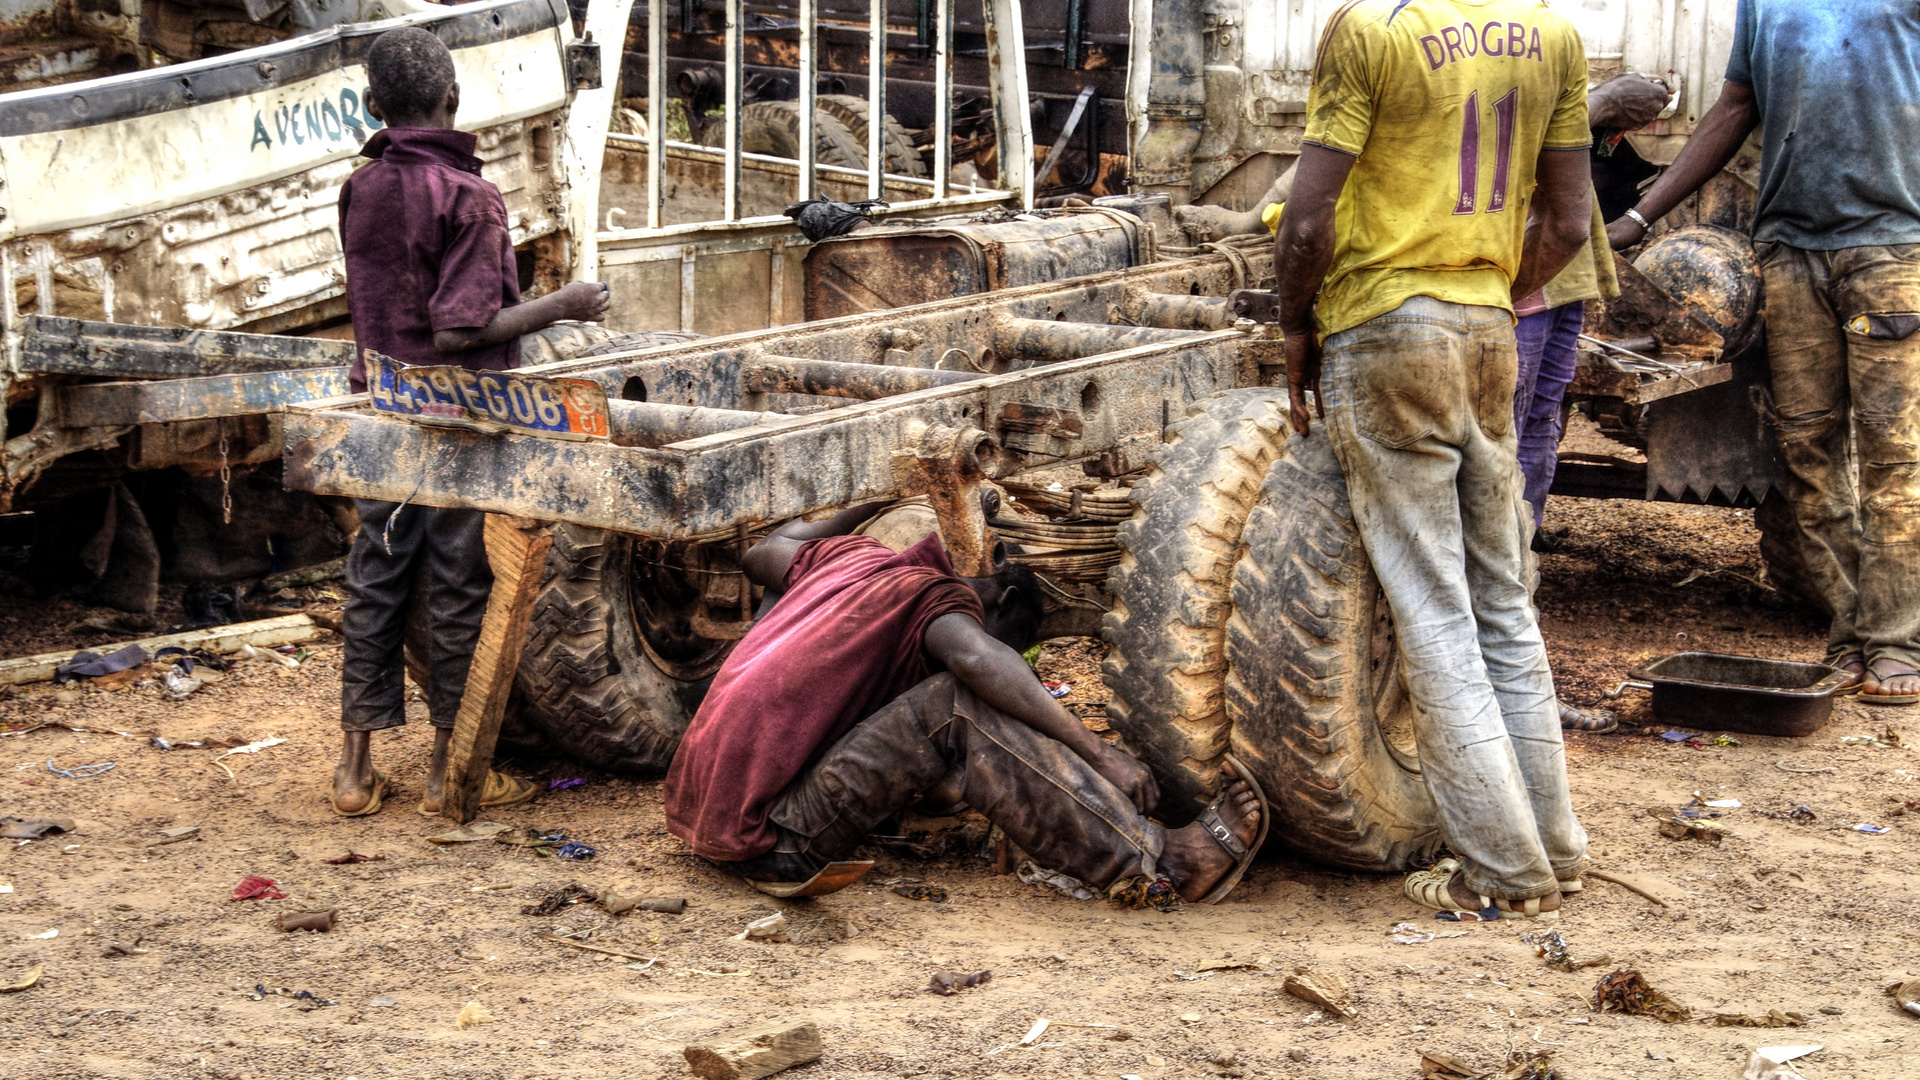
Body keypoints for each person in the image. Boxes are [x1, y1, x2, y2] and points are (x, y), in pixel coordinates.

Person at [1273, 0, 1594, 918]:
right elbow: (1570, 226)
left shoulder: (1368, 30)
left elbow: (1305, 223)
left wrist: (1296, 321)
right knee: (1503, 597)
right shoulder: (1553, 35)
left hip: (1383, 327)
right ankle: (1556, 848)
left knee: (1434, 608)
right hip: (1492, 327)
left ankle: (1501, 866)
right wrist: (1487, 295)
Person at [663, 503, 1266, 905]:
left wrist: (876, 496)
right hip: (772, 841)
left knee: (941, 707)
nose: (983, 644)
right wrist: (1101, 754)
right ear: (999, 599)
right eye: (1008, 640)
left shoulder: (851, 557)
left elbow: (764, 549)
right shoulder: (937, 598)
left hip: (700, 810)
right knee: (960, 702)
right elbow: (977, 664)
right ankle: (1161, 862)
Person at [329, 27, 613, 816]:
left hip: (383, 406)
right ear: (451, 101)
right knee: (457, 582)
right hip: (459, 414)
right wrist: (561, 306)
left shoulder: (362, 188)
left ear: (373, 106)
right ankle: (449, 772)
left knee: (376, 573)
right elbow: (458, 333)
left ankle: (354, 773)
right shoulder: (468, 196)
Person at [1604, 0, 1920, 707]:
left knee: (1895, 456)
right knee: (1808, 451)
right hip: (1789, 252)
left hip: (1894, 252)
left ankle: (1898, 643)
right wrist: (1637, 216)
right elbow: (1732, 109)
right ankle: (1850, 638)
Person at [1514, 72, 1671, 734]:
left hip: (1560, 275)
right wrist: (1597, 107)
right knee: (1492, 462)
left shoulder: (1543, 30)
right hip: (1504, 274)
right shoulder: (1421, 24)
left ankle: (1515, 684)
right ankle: (1484, 690)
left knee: (1530, 457)